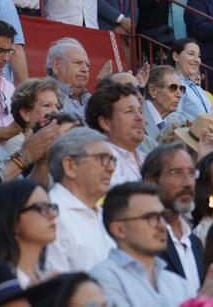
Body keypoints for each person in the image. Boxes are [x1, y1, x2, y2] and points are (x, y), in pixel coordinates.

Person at [90, 182, 197, 306]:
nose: (162, 225)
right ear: (119, 229)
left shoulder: (178, 284)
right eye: (151, 218)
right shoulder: (102, 280)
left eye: (163, 216)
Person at [46, 127, 116, 273]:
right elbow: (56, 286)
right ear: (70, 165)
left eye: (112, 160)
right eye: (102, 159)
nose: (111, 168)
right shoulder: (51, 215)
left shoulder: (103, 213)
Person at [140, 143, 203, 291]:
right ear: (150, 182)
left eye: (191, 173)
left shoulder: (196, 243)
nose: (188, 183)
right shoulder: (140, 239)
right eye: (176, 173)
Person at [0, 179, 57, 288]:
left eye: (51, 207)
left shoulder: (50, 279)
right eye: (41, 208)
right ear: (12, 220)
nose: (53, 214)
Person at [86, 82, 145, 186]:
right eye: (129, 111)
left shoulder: (147, 158)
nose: (139, 117)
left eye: (140, 111)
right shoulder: (99, 164)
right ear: (105, 123)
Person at [142, 65, 186, 148]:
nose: (179, 95)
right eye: (173, 87)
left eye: (181, 88)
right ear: (153, 91)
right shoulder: (138, 117)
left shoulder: (173, 124)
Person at [171, 39, 213, 119]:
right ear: (176, 56)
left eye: (198, 56)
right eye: (191, 54)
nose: (197, 60)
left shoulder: (198, 88)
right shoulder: (173, 85)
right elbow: (172, 123)